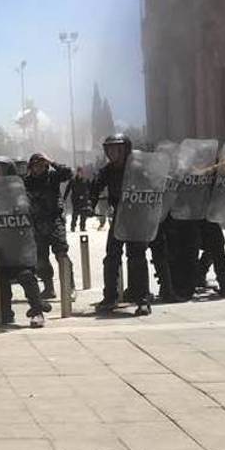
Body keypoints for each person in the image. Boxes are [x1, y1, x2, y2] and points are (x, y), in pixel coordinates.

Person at [0, 157, 45, 328]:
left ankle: (37, 311)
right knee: (0, 280)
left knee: (26, 276)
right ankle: (5, 313)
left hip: (20, 244)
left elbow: (32, 212)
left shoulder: (19, 192)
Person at [91, 133, 151, 315]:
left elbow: (151, 189)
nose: (112, 152)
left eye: (116, 148)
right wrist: (88, 205)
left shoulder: (138, 168)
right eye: (109, 149)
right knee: (111, 257)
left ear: (125, 149)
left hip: (137, 216)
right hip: (119, 216)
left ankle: (143, 300)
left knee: (137, 258)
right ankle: (110, 297)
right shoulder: (107, 170)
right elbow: (95, 188)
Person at [25, 153, 73, 299]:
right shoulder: (26, 181)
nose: (38, 169)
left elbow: (68, 173)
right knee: (41, 259)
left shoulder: (52, 177)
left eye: (41, 165)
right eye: (35, 166)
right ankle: (48, 287)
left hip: (54, 221)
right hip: (37, 223)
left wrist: (52, 161)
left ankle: (69, 287)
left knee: (61, 254)